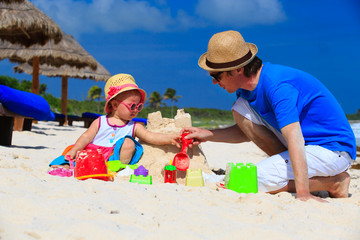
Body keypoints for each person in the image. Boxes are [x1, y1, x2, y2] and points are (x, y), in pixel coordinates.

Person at [183, 30, 356, 202]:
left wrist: (303, 193)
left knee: (255, 178)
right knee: (239, 108)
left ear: (237, 70)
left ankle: (334, 183)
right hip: (306, 147)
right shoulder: (245, 92)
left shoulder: (277, 85)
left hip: (332, 150)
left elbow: (295, 138)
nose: (214, 81)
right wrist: (208, 134)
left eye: (216, 75)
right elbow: (246, 132)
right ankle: (300, 176)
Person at [50, 73, 181, 168]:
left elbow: (150, 136)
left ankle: (115, 168)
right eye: (132, 106)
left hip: (113, 158)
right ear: (114, 105)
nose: (135, 110)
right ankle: (68, 166)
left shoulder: (133, 126)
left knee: (129, 143)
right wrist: (76, 149)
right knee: (71, 151)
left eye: (139, 106)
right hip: (93, 154)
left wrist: (170, 138)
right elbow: (86, 137)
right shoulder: (100, 121)